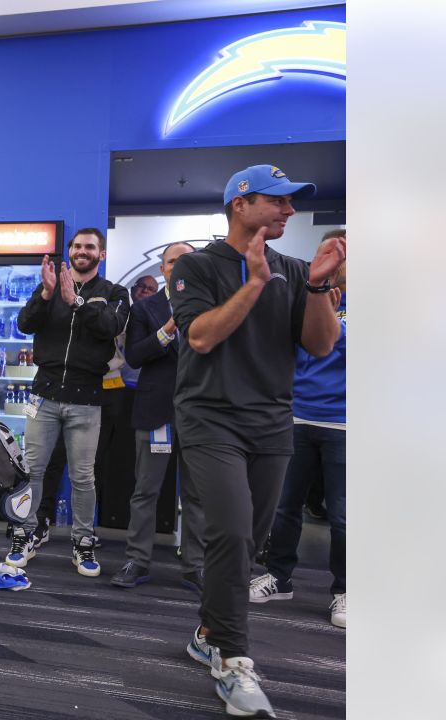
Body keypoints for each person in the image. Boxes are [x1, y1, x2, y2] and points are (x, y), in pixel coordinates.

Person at [174, 165, 344, 718]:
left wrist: (317, 286)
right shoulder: (196, 266)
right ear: (241, 204)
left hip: (272, 423)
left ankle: (206, 631)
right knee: (229, 531)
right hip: (210, 418)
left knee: (250, 541)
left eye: (293, 203)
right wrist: (252, 283)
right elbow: (199, 338)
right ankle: (232, 657)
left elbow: (320, 346)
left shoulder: (295, 271)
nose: (290, 211)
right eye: (279, 201)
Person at [9, 229, 129, 579]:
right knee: (31, 470)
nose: (81, 251)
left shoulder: (114, 294)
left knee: (83, 476)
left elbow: (110, 326)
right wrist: (47, 294)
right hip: (43, 394)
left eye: (89, 247)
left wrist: (75, 302)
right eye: (76, 246)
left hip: (86, 399)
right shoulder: (51, 286)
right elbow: (24, 323)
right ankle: (24, 534)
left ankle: (83, 541)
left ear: (100, 255)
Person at [250, 229, 346, 629]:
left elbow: (329, 344)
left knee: (344, 516)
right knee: (284, 506)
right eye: (331, 251)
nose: (339, 259)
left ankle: (345, 591)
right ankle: (279, 576)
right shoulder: (307, 295)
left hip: (347, 423)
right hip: (297, 416)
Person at [111, 241, 206, 591]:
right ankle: (137, 560)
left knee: (197, 494)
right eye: (171, 261)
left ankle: (195, 565)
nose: (177, 266)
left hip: (201, 412)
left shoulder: (214, 303)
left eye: (185, 261)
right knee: (145, 491)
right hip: (155, 413)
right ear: (162, 269)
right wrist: (167, 331)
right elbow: (134, 356)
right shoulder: (145, 307)